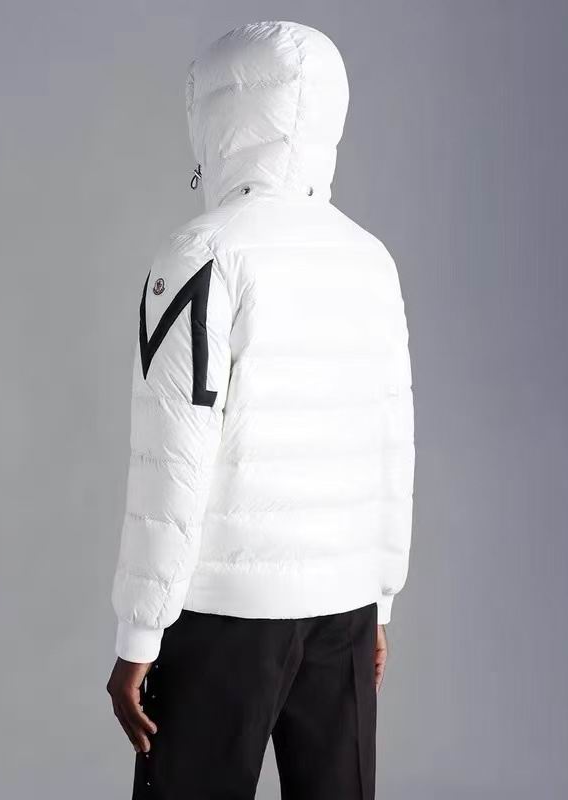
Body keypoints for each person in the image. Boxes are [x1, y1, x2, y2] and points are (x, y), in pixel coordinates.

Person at [106, 20, 415, 800]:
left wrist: (140, 631)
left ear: (217, 113)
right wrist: (379, 599)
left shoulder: (202, 254)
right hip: (345, 608)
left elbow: (172, 458)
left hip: (224, 617)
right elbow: (394, 439)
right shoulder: (370, 259)